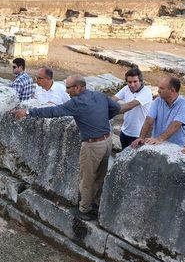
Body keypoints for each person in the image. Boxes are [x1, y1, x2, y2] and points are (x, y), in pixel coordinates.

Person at [13, 74, 120, 221]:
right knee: (100, 176)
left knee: (87, 178)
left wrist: (28, 112)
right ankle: (95, 204)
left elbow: (52, 112)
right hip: (107, 140)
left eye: (68, 88)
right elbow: (116, 108)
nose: (66, 91)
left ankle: (84, 210)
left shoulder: (75, 103)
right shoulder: (99, 95)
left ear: (78, 87)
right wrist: (101, 119)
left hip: (92, 145)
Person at [131, 77, 185, 148]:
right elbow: (148, 120)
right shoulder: (158, 101)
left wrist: (160, 139)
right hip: (156, 143)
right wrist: (141, 137)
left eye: (162, 88)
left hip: (176, 146)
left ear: (172, 90)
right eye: (159, 87)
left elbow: (176, 124)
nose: (158, 91)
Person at [111, 67, 153, 149]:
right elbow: (113, 99)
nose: (132, 85)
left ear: (140, 81)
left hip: (138, 135)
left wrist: (110, 112)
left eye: (135, 81)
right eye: (129, 82)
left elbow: (130, 105)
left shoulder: (146, 92)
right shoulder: (126, 88)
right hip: (124, 132)